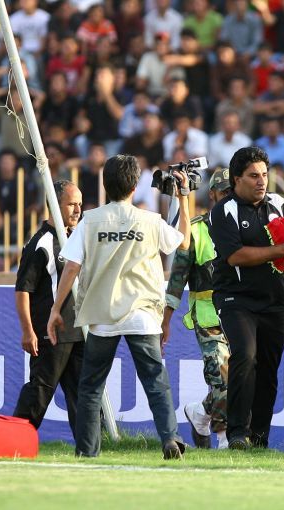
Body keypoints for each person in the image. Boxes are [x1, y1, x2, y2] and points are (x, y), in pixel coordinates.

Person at [47, 154, 191, 459]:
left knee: (91, 387)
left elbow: (71, 267)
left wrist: (56, 309)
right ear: (135, 185)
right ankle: (170, 438)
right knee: (156, 383)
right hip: (142, 313)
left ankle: (87, 450)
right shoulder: (150, 220)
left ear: (104, 184)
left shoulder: (90, 220)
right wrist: (183, 197)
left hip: (102, 314)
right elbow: (184, 242)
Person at [208, 146, 284, 449]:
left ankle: (259, 437)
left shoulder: (278, 203)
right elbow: (236, 256)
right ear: (236, 179)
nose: (262, 181)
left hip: (274, 299)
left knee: (268, 367)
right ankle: (236, 433)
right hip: (235, 298)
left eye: (265, 175)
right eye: (254, 175)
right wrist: (283, 250)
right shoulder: (223, 211)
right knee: (245, 355)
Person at [162, 168, 232, 450]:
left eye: (233, 192)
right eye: (224, 192)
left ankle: (201, 412)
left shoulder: (245, 226)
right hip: (207, 316)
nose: (229, 197)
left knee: (238, 375)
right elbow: (178, 277)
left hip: (240, 315)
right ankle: (225, 438)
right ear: (212, 194)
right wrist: (166, 320)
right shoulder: (196, 230)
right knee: (221, 373)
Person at [13, 180, 84, 436]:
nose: (78, 210)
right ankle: (14, 440)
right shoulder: (40, 242)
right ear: (54, 205)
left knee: (84, 395)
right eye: (71, 204)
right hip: (50, 333)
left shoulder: (77, 237)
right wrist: (27, 331)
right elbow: (23, 290)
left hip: (79, 330)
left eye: (80, 204)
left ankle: (91, 446)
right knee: (39, 393)